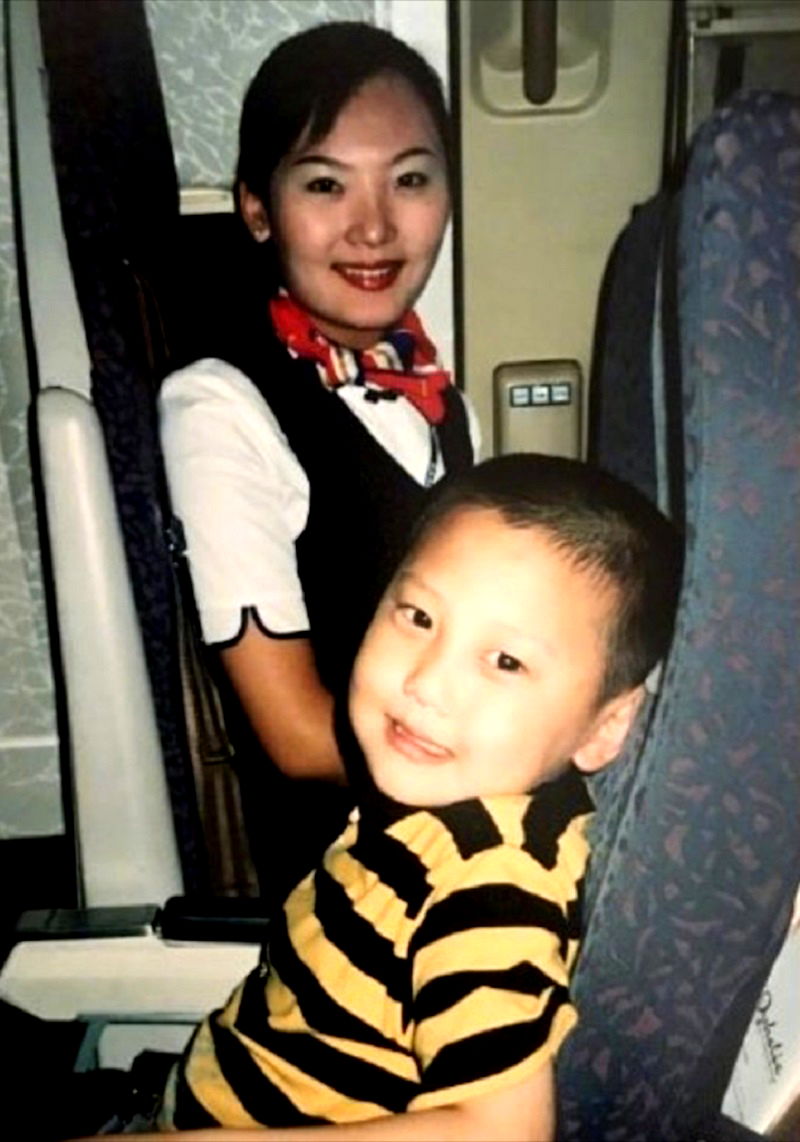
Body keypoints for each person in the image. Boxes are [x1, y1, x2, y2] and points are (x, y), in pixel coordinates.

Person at [94, 452, 683, 1141]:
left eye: (505, 661)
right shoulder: (432, 812)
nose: (427, 681)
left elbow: (503, 1132)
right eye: (418, 616)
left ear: (605, 725)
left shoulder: (488, 885)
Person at [159, 22, 479, 901]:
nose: (373, 227)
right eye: (326, 184)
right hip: (344, 870)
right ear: (258, 208)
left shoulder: (437, 393)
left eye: (410, 179)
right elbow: (298, 737)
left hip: (450, 808)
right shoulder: (221, 407)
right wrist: (515, 760)